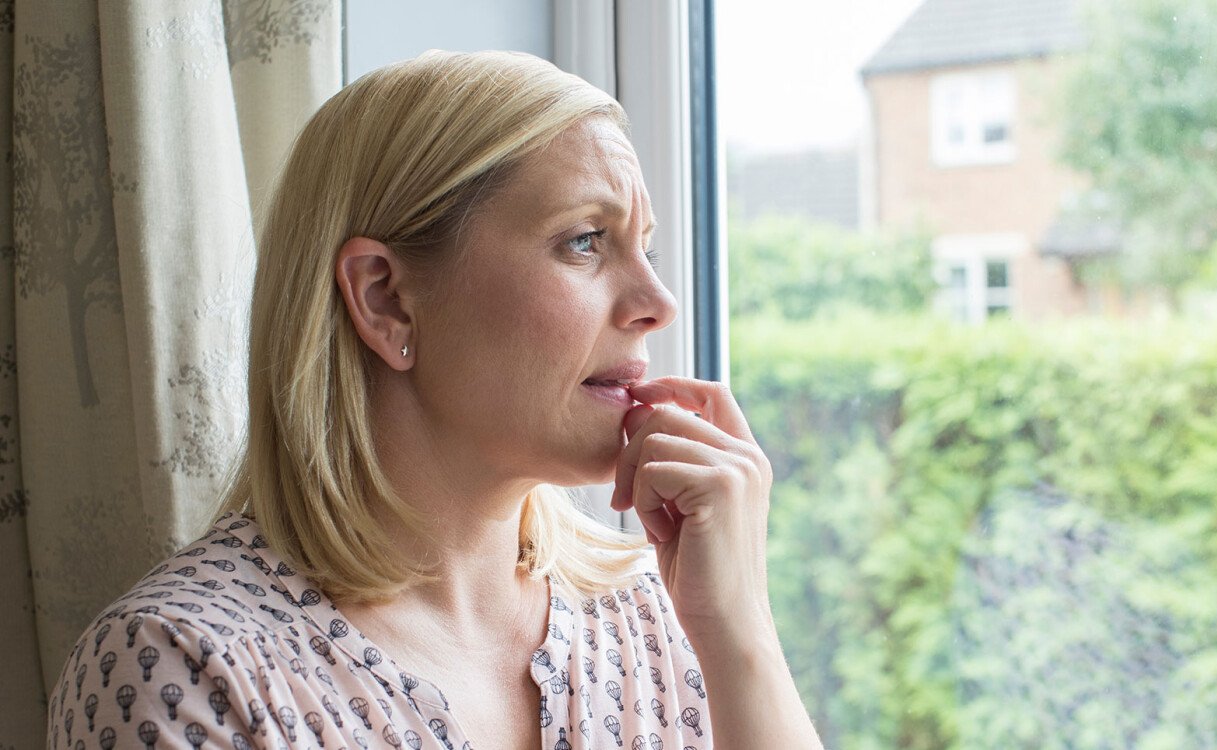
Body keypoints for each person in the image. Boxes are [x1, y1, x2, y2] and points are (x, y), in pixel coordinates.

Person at [45, 50, 822, 749]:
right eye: (585, 240)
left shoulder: (658, 614)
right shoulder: (182, 668)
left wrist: (741, 628)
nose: (658, 300)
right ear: (385, 300)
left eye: (644, 247)